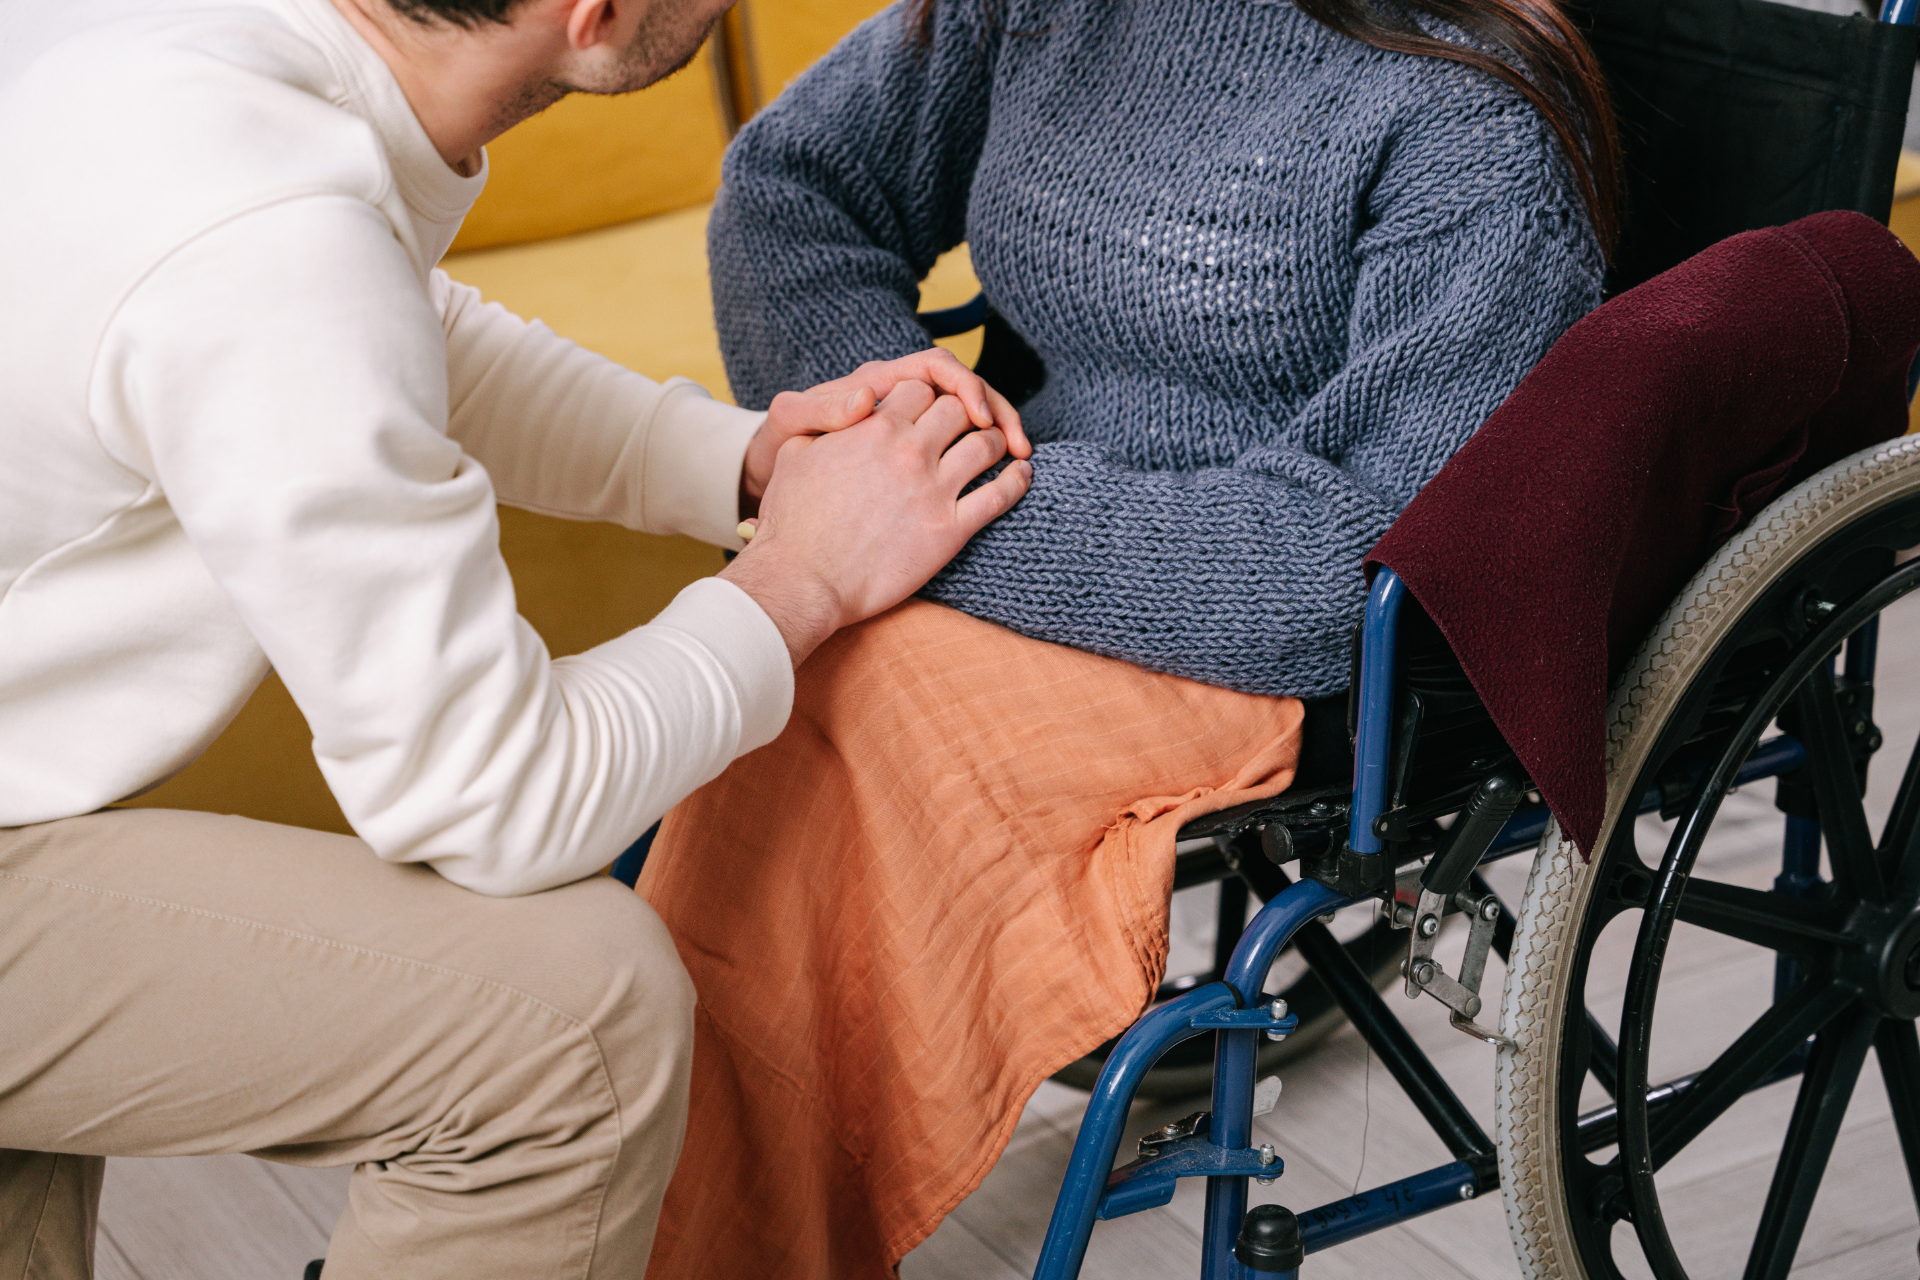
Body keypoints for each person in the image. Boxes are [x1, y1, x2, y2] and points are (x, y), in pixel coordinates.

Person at [0, 0, 1033, 1271]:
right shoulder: (267, 243)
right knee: (573, 1023)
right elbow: (493, 798)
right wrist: (804, 581)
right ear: (591, 16)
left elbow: (391, 333)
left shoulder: (195, 69)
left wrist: (749, 458)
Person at [635, 0, 1617, 1275]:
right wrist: (895, 434)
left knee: (851, 691)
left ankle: (707, 1232)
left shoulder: (1473, 128)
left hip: (1253, 626)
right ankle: (634, 1191)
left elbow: (1344, 566)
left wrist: (934, 509)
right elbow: (790, 190)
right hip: (1023, 530)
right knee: (761, 669)